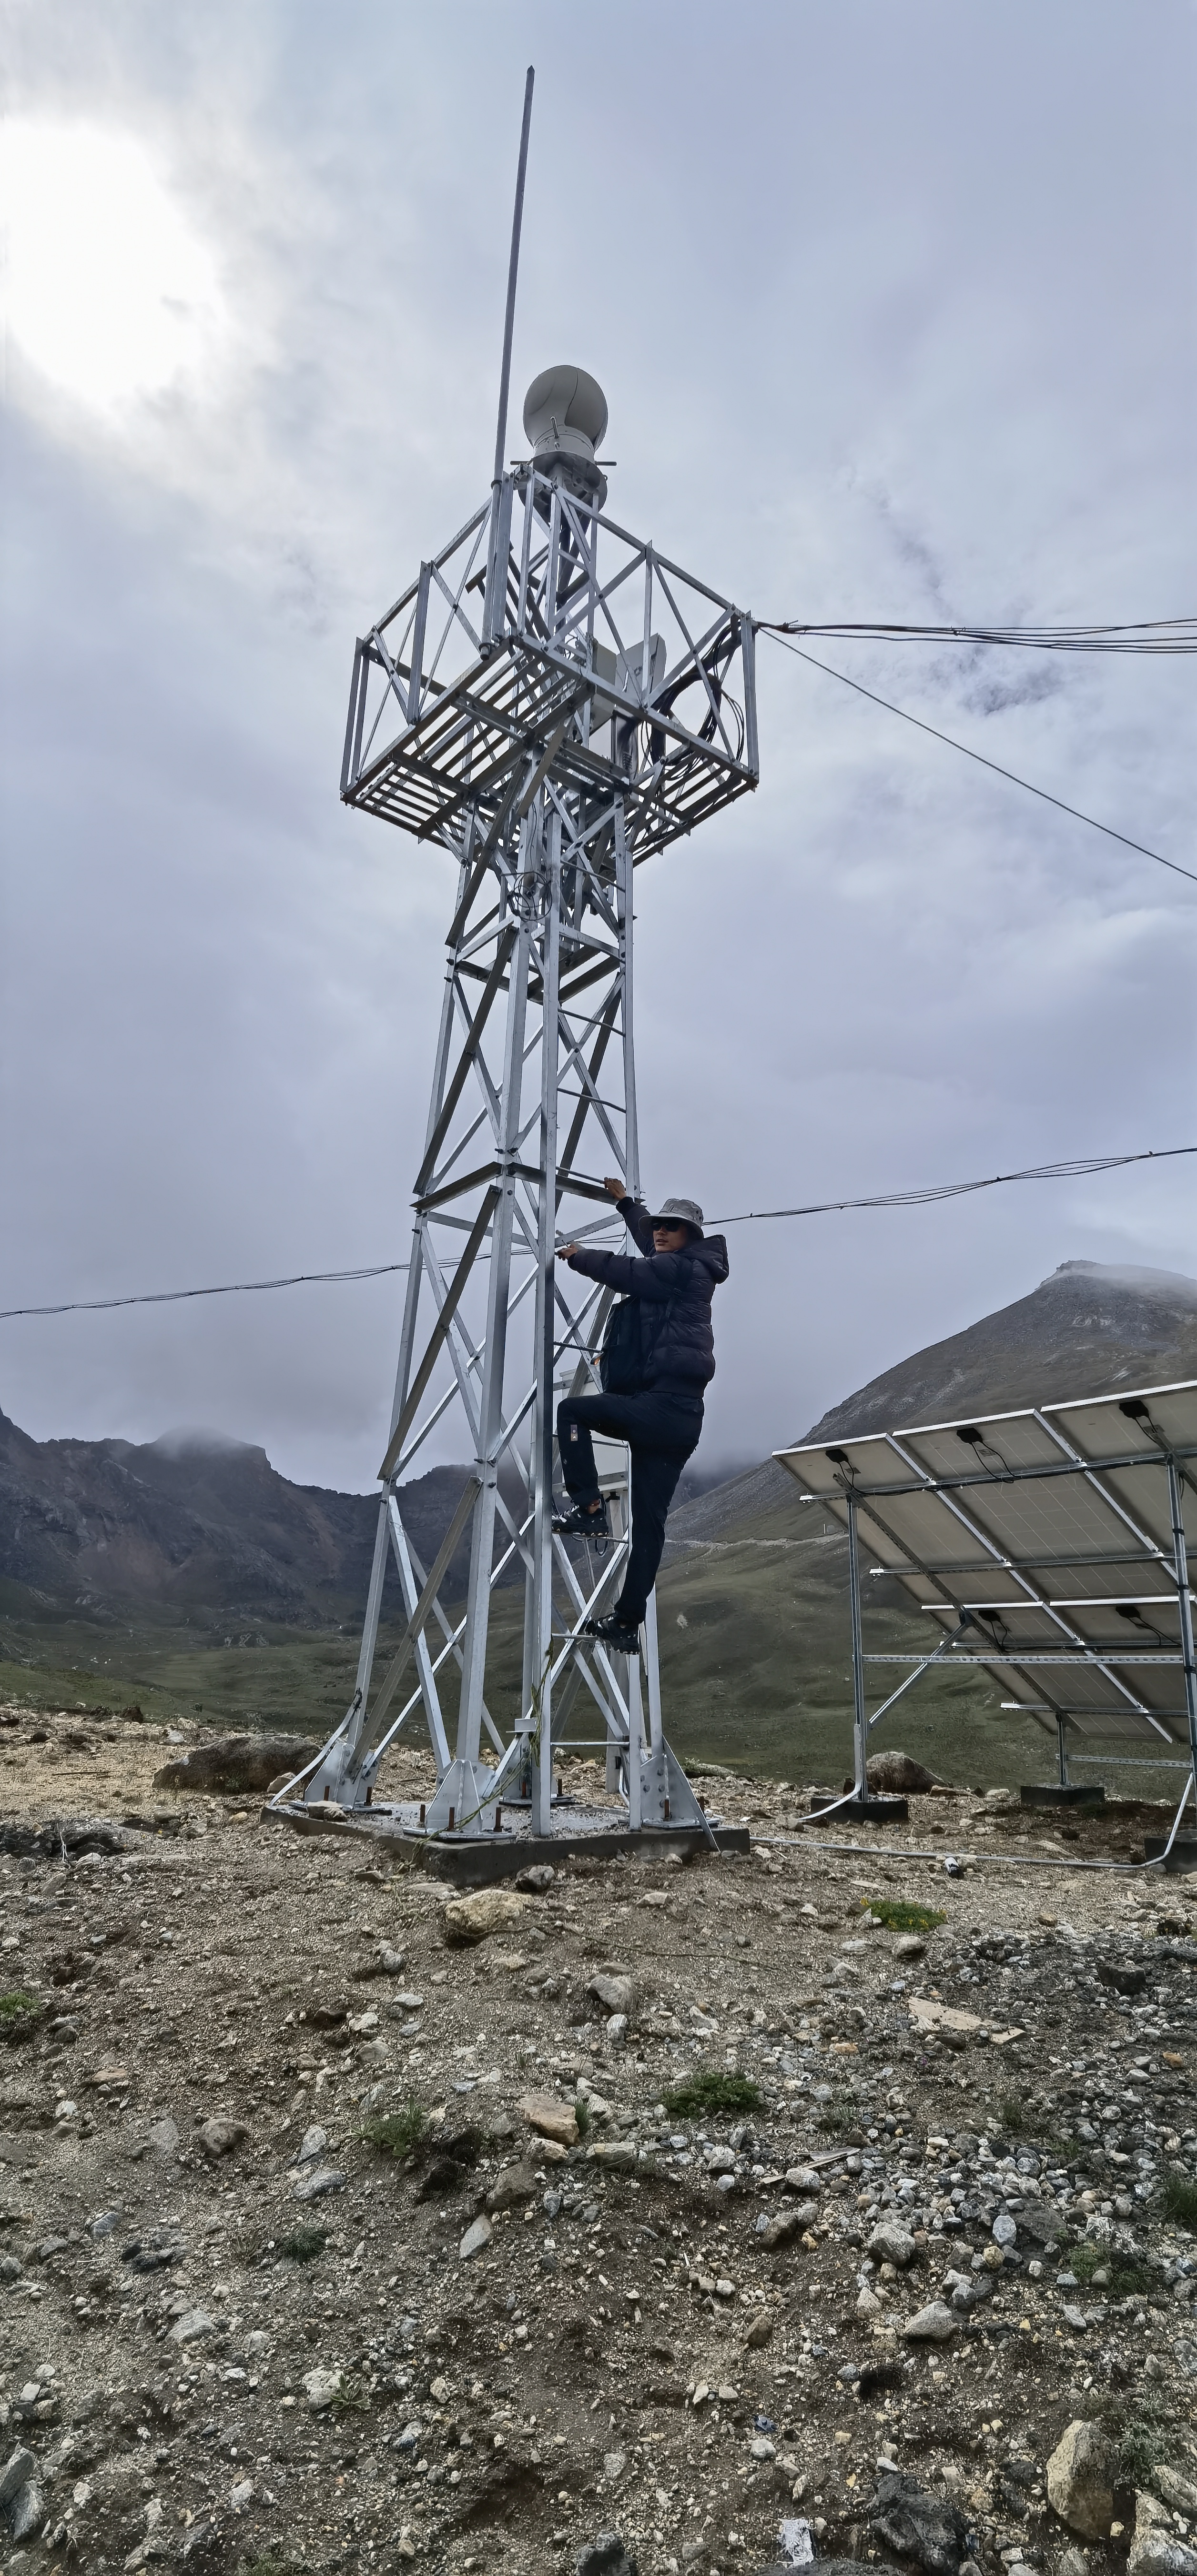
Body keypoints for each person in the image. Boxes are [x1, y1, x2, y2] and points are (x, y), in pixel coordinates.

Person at [553, 1177, 729, 1654]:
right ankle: (627, 1623)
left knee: (571, 1410)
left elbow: (630, 1272)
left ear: (689, 1236)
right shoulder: (686, 1268)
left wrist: (581, 1256)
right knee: (649, 1524)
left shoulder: (679, 1271)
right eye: (659, 1226)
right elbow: (649, 1247)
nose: (660, 1232)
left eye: (672, 1227)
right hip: (680, 1417)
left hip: (659, 1405)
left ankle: (588, 1506)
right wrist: (627, 1205)